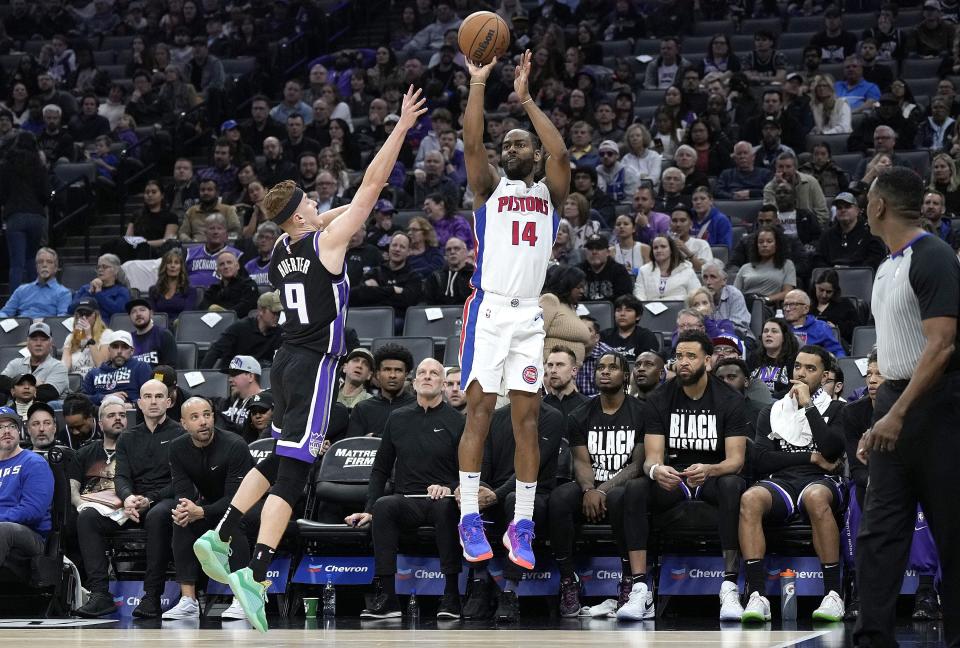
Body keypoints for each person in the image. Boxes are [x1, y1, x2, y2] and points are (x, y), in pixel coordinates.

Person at [190, 86, 426, 633]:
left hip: (285, 363)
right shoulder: (325, 245)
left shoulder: (281, 250)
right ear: (301, 218)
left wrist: (330, 210)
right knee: (295, 473)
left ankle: (220, 534)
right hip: (319, 364)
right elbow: (369, 187)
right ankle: (255, 571)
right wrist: (400, 128)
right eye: (313, 204)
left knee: (277, 451)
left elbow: (342, 208)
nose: (322, 205)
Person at [455, 50, 570, 571]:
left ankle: (521, 523)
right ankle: (467, 516)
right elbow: (472, 141)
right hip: (490, 312)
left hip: (528, 318)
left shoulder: (550, 193)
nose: (510, 147)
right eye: (507, 144)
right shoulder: (489, 190)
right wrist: (478, 84)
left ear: (533, 154)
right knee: (479, 412)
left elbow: (562, 153)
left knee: (528, 422)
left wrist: (526, 102)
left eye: (519, 142)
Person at [854, 167, 960, 648]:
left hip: (939, 406)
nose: (863, 207)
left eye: (866, 200)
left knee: (952, 532)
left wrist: (898, 414)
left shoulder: (933, 255)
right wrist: (882, 414)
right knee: (879, 532)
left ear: (879, 207)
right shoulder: (885, 265)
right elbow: (897, 348)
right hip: (895, 398)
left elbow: (941, 346)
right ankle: (872, 637)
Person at [636, 331, 749, 621]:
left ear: (708, 361)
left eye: (691, 356)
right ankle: (639, 588)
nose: (683, 362)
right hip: (675, 478)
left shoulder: (729, 399)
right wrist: (655, 470)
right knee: (634, 491)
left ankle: (729, 584)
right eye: (679, 356)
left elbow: (736, 460)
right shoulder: (660, 397)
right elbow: (651, 456)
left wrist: (711, 469)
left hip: (712, 476)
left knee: (733, 485)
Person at [344, 358, 465, 619]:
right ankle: (388, 599)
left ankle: (451, 596)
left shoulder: (457, 421)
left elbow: (469, 471)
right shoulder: (397, 418)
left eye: (434, 373)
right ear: (415, 381)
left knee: (445, 509)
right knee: (384, 506)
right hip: (407, 500)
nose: (428, 376)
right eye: (422, 372)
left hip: (442, 500)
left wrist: (449, 488)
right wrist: (369, 510)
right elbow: (380, 469)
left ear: (444, 383)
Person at [739, 345, 847, 624]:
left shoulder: (837, 409)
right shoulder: (772, 411)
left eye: (811, 369)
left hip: (822, 482)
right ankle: (757, 595)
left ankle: (833, 594)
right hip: (784, 483)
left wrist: (809, 406)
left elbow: (832, 451)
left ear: (824, 377)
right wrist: (811, 456)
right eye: (798, 366)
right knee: (750, 499)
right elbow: (762, 461)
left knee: (815, 498)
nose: (801, 373)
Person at [837, 351, 942, 623]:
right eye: (869, 374)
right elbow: (857, 467)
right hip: (870, 481)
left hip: (914, 480)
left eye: (879, 373)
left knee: (921, 504)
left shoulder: (918, 409)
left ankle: (927, 592)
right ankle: (860, 591)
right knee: (858, 499)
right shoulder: (853, 412)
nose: (872, 380)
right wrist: (877, 483)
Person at [75, 379, 184, 618]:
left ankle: (152, 596)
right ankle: (100, 594)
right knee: (88, 517)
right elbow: (121, 477)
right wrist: (128, 498)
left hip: (165, 500)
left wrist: (150, 499)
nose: (153, 401)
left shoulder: (181, 434)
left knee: (157, 516)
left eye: (158, 396)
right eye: (148, 397)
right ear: (139, 403)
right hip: (132, 504)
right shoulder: (128, 437)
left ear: (168, 401)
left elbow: (181, 482)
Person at [551, 352, 648, 618]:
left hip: (623, 486)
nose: (604, 372)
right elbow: (581, 462)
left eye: (612, 368)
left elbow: (638, 464)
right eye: (600, 367)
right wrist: (587, 490)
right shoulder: (580, 414)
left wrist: (601, 490)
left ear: (626, 376)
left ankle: (629, 579)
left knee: (620, 497)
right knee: (559, 498)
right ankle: (568, 579)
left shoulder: (641, 411)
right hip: (591, 485)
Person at [161, 397, 252, 621]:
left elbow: (236, 498)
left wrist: (201, 512)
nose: (203, 421)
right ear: (183, 424)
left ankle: (242, 598)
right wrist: (186, 509)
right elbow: (182, 491)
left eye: (207, 415)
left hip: (248, 504)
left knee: (232, 524)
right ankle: (188, 600)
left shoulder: (234, 444)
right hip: (212, 505)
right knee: (181, 520)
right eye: (195, 417)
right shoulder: (178, 448)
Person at [0, 407, 53, 572]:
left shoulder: (34, 463)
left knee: (3, 530)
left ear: (20, 431)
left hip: (31, 535)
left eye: (12, 426)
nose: (7, 431)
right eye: (0, 427)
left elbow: (33, 510)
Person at [0, 132, 49, 289]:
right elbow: (47, 194)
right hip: (36, 216)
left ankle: (15, 305)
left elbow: (1, 194)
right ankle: (35, 300)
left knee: (16, 264)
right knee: (31, 261)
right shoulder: (39, 167)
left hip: (15, 216)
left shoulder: (6, 166)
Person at [346, 343, 416, 438]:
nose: (392, 375)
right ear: (378, 374)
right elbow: (351, 447)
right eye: (387, 369)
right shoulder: (362, 409)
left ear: (406, 375)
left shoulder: (417, 406)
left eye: (398, 370)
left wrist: (375, 437)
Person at [200, 291, 283, 370]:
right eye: (274, 313)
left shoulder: (279, 333)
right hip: (234, 375)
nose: (277, 317)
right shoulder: (240, 328)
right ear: (261, 310)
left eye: (279, 313)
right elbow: (216, 350)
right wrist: (203, 375)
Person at [349, 232, 423, 315]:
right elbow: (357, 295)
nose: (397, 249)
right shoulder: (374, 273)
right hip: (371, 317)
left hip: (397, 320)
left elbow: (408, 301)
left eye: (402, 247)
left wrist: (376, 292)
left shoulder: (414, 277)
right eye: (394, 245)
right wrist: (393, 289)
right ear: (389, 247)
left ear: (408, 252)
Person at [811, 193, 887, 271]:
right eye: (839, 208)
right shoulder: (827, 235)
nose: (843, 210)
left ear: (857, 210)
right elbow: (818, 259)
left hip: (861, 278)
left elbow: (876, 259)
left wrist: (853, 271)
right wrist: (830, 272)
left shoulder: (870, 233)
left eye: (847, 207)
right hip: (832, 279)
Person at [81, 330, 153, 405]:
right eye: (115, 347)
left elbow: (150, 396)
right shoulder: (94, 373)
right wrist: (105, 397)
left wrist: (133, 405)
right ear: (109, 350)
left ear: (132, 351)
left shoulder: (141, 367)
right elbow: (81, 399)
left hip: (130, 413)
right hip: (100, 412)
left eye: (124, 347)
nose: (119, 351)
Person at [0, 323, 69, 401]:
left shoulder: (59, 367)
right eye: (34, 339)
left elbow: (47, 394)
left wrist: (15, 387)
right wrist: (34, 383)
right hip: (13, 411)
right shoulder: (16, 363)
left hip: (44, 410)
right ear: (27, 343)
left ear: (51, 343)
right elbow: (1, 381)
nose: (38, 344)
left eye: (43, 339)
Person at [540, 265, 592, 365]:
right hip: (550, 370)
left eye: (583, 287)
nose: (582, 291)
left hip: (570, 373)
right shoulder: (550, 300)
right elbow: (536, 334)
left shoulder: (570, 307)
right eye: (578, 287)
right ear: (566, 285)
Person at [0, 248, 71, 318]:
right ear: (36, 267)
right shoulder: (21, 290)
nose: (44, 265)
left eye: (49, 262)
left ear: (56, 268)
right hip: (22, 327)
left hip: (48, 328)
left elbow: (62, 319)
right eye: (40, 262)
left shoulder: (64, 293)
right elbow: (5, 312)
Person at [734, 225, 796, 304]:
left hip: (769, 306)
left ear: (777, 245)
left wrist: (765, 299)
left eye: (769, 241)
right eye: (761, 242)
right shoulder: (745, 267)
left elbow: (788, 293)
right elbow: (734, 294)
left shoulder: (787, 265)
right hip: (745, 305)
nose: (764, 245)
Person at [634, 235, 701, 301]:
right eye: (655, 248)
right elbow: (639, 295)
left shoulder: (687, 270)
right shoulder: (644, 270)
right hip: (649, 310)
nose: (659, 250)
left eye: (663, 247)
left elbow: (697, 296)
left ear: (671, 250)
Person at [782, 289, 846, 358]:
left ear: (805, 309)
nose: (787, 309)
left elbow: (837, 352)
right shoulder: (779, 327)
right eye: (785, 305)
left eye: (792, 304)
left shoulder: (821, 328)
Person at [197, 250, 259, 318]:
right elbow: (201, 310)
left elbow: (246, 308)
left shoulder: (248, 285)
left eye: (229, 263)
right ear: (217, 270)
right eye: (221, 264)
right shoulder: (213, 289)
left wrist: (224, 315)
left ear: (237, 266)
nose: (226, 267)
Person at [71, 253, 131, 321]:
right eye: (98, 267)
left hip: (108, 328)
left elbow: (118, 312)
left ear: (116, 270)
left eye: (104, 267)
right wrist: (89, 292)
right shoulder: (85, 289)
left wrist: (99, 294)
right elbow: (71, 309)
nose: (100, 270)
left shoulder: (122, 291)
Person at [600, 294, 660, 363]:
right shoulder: (604, 336)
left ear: (638, 316)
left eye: (628, 310)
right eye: (618, 310)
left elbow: (648, 364)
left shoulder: (646, 336)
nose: (622, 314)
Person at [701, 261, 751, 339]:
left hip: (738, 337)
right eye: (705, 277)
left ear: (724, 280)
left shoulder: (734, 294)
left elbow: (736, 327)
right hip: (710, 338)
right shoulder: (699, 297)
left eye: (713, 277)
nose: (708, 282)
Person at [751, 317, 800, 397]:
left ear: (784, 337)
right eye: (765, 331)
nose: (768, 334)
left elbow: (794, 388)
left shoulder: (794, 361)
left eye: (774, 331)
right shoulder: (753, 358)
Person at [579, 234, 634, 303]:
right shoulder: (577, 271)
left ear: (608, 252)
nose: (594, 252)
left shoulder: (619, 271)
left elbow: (625, 300)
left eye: (599, 248)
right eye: (590, 248)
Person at [810, 270, 859, 344]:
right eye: (821, 290)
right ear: (815, 286)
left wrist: (837, 328)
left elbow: (856, 331)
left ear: (835, 291)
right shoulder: (806, 305)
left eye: (829, 292)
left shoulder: (845, 305)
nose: (824, 295)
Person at [148, 249, 198, 322]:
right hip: (160, 328)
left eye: (176, 263)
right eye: (169, 262)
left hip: (180, 328)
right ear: (164, 266)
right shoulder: (154, 290)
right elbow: (153, 316)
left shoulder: (190, 291)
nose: (172, 266)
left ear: (181, 267)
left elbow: (187, 316)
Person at [126, 298, 176, 369]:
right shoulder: (128, 339)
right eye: (133, 312)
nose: (138, 314)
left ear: (151, 313)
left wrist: (154, 380)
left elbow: (170, 367)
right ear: (130, 317)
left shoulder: (164, 335)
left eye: (142, 310)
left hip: (157, 378)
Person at [423, 236, 474, 305]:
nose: (452, 252)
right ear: (445, 255)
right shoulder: (436, 277)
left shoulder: (475, 276)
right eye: (448, 250)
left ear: (466, 252)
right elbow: (428, 304)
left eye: (457, 248)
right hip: (440, 315)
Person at [669, 204, 713, 273]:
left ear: (691, 224)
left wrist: (686, 251)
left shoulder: (701, 244)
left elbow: (705, 271)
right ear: (670, 224)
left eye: (682, 220)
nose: (678, 224)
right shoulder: (664, 245)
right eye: (674, 221)